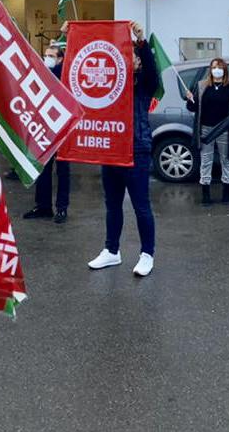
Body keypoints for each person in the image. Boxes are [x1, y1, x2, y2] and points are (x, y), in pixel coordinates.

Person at [87, 21, 160, 276]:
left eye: (132, 56)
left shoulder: (143, 84)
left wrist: (141, 41)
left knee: (141, 205)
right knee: (112, 204)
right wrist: (69, 40)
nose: (127, 60)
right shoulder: (108, 85)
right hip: (111, 150)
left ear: (138, 62)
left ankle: (147, 254)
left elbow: (153, 71)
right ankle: (111, 251)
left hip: (136, 150)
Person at [185, 57, 229, 205]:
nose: (216, 70)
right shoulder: (201, 86)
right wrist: (190, 99)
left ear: (225, 70)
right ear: (210, 70)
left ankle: (226, 194)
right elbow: (192, 108)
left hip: (225, 129)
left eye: (219, 67)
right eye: (214, 67)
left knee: (226, 161)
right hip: (206, 129)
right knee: (206, 161)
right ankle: (205, 195)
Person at [23, 44, 71, 224]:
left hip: (62, 127)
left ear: (60, 59)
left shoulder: (62, 73)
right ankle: (43, 206)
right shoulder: (41, 72)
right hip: (44, 127)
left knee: (63, 170)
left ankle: (61, 208)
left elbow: (59, 75)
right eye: (45, 55)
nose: (47, 58)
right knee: (42, 168)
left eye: (51, 55)